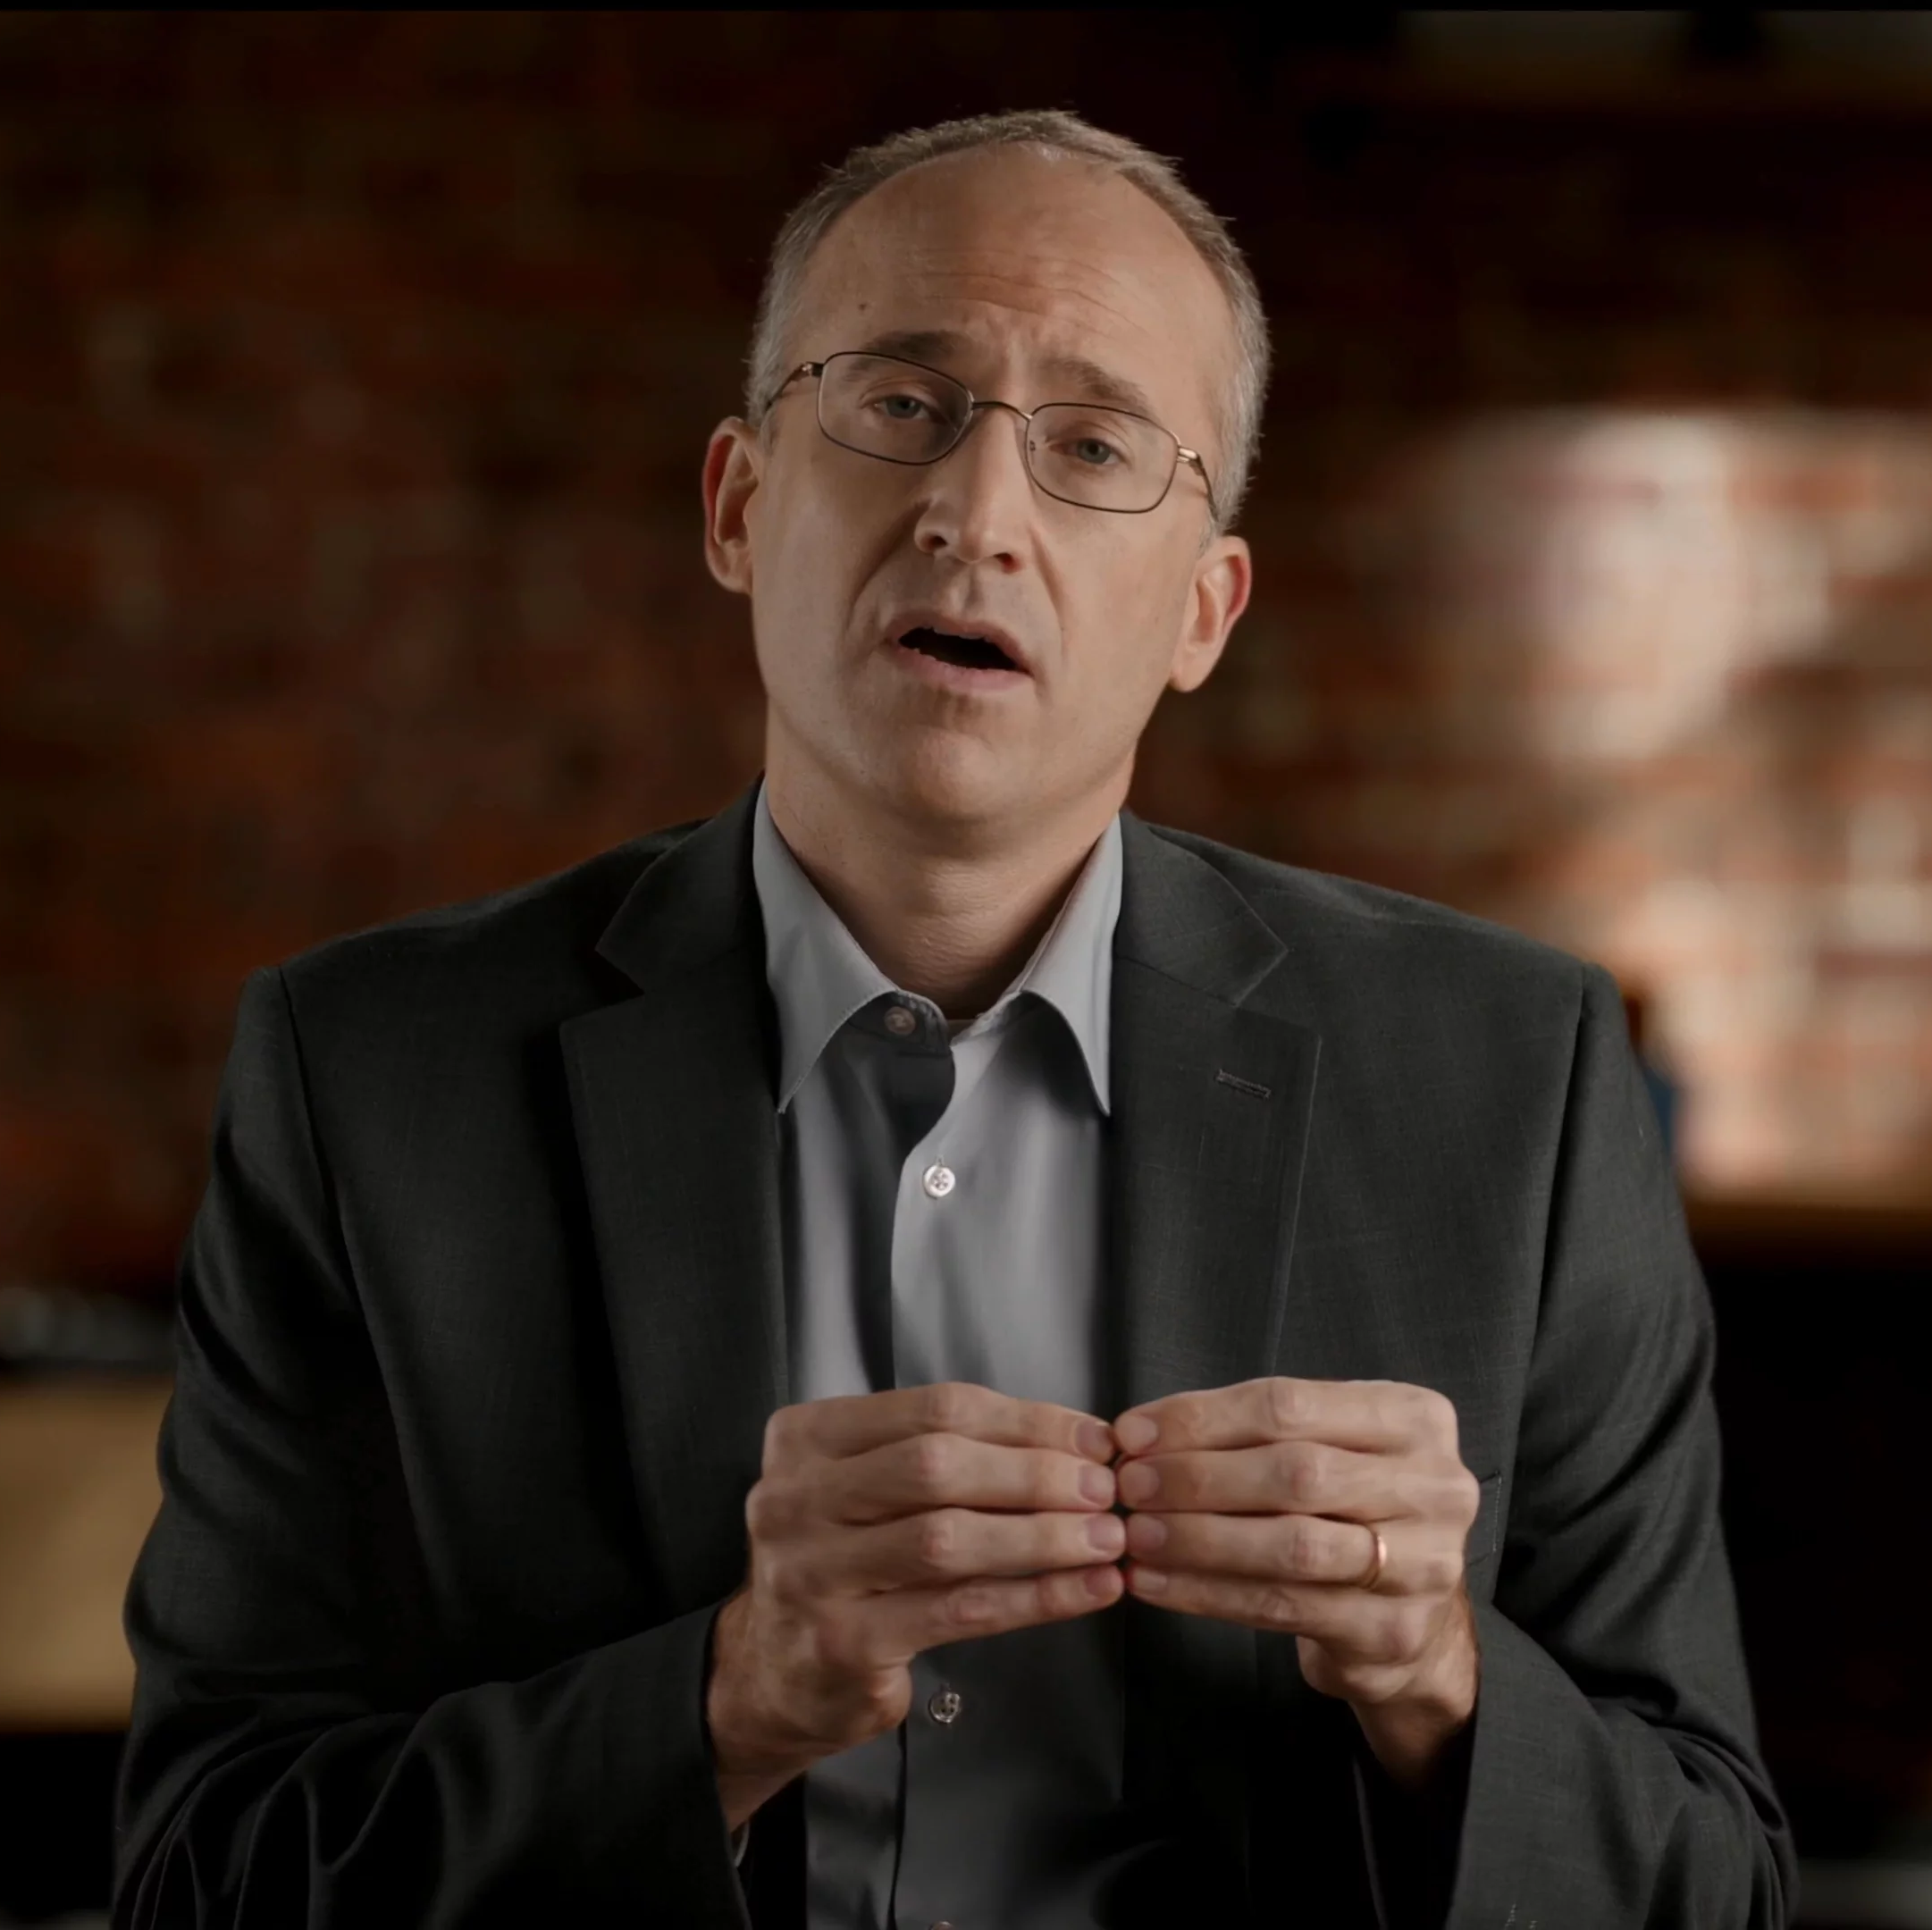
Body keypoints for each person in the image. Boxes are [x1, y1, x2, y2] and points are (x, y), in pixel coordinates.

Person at [115, 110, 1791, 1929]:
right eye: (901, 404)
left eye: (1094, 446)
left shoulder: (1519, 1083)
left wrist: (1434, 1677)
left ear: (1203, 612)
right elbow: (208, 1878)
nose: (975, 517)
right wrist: (726, 1703)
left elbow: (1715, 1887)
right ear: (739, 507)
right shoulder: (369, 1080)